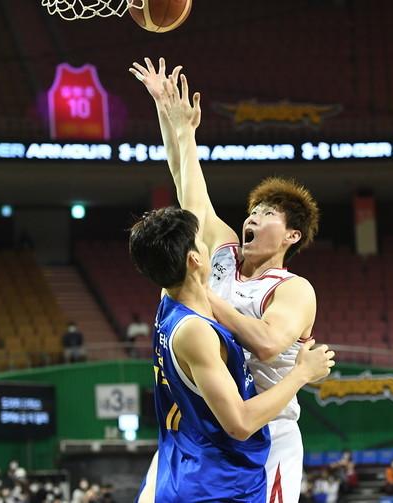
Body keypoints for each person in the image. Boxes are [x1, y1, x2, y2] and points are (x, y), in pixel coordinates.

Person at [130, 57, 321, 503]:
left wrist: (196, 296)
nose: (252, 217)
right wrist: (174, 120)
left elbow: (268, 343)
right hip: (202, 423)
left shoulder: (293, 289)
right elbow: (186, 182)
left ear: (291, 236)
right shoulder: (221, 251)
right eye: (252, 210)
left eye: (267, 214)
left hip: (266, 428)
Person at [129, 207, 334, 502]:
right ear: (194, 260)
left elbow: (193, 197)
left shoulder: (168, 300)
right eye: (201, 242)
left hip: (185, 451)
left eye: (267, 213)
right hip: (217, 468)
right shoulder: (195, 331)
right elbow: (241, 421)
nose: (209, 245)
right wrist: (302, 373)